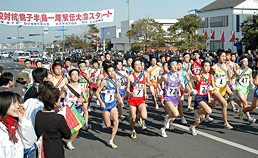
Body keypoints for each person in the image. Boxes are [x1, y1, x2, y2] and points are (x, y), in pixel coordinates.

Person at [35, 87, 71, 158]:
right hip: (55, 148)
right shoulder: (58, 118)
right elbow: (67, 134)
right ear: (55, 103)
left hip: (43, 147)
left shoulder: (38, 114)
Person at [0, 91, 37, 158]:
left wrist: (23, 120)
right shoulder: (2, 129)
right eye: (14, 104)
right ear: (4, 105)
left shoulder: (15, 126)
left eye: (18, 103)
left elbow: (29, 144)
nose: (18, 106)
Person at [60, 69, 88, 150]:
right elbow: (59, 95)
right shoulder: (66, 87)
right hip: (67, 110)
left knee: (76, 129)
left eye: (77, 75)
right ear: (70, 77)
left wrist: (83, 100)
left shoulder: (81, 88)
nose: (75, 76)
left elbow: (86, 99)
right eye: (73, 75)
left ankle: (70, 142)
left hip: (77, 109)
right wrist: (59, 103)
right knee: (65, 127)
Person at [96, 64, 122, 148]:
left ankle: (111, 140)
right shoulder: (104, 82)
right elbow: (97, 92)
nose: (112, 73)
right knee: (108, 125)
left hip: (113, 104)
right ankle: (104, 118)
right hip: (105, 105)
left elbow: (117, 93)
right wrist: (101, 102)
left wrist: (119, 99)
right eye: (109, 71)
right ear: (107, 73)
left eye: (113, 71)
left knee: (116, 121)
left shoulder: (116, 82)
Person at [158, 60, 184, 138]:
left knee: (172, 118)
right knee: (176, 113)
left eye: (177, 65)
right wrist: (160, 90)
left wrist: (181, 88)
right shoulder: (165, 76)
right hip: (168, 98)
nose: (176, 67)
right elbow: (158, 83)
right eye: (174, 65)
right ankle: (167, 117)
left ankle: (163, 129)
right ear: (170, 67)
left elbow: (181, 85)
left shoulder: (180, 76)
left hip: (175, 98)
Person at [189, 60, 214, 136]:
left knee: (202, 117)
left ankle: (192, 127)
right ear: (202, 67)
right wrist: (192, 89)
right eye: (206, 66)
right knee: (209, 111)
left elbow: (214, 86)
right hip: (199, 96)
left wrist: (212, 88)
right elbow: (190, 82)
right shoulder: (198, 76)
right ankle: (197, 112)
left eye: (209, 66)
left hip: (205, 96)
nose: (208, 68)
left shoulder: (211, 76)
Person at [209, 50, 234, 129]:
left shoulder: (227, 67)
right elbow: (208, 75)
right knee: (224, 104)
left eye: (225, 56)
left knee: (213, 105)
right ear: (218, 57)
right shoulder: (213, 67)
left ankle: (203, 106)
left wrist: (231, 85)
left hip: (223, 88)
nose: (224, 58)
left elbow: (228, 79)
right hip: (215, 89)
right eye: (222, 56)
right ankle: (226, 123)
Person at [126, 58, 148, 139]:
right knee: (133, 119)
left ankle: (139, 116)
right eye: (137, 65)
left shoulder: (144, 75)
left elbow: (144, 85)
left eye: (140, 64)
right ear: (133, 67)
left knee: (144, 116)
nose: (139, 66)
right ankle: (132, 130)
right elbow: (127, 88)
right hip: (133, 100)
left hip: (141, 99)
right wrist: (130, 93)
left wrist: (145, 93)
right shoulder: (130, 77)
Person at [236, 56, 256, 124]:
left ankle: (241, 110)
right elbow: (232, 78)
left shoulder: (249, 70)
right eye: (244, 62)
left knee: (242, 103)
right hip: (239, 87)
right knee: (245, 102)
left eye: (247, 62)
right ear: (241, 62)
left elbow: (250, 77)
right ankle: (249, 118)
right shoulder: (238, 71)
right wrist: (233, 85)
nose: (246, 63)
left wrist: (252, 83)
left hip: (246, 88)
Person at [77, 60, 91, 130]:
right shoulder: (77, 75)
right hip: (78, 94)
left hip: (85, 94)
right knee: (79, 109)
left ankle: (86, 123)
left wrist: (88, 93)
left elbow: (87, 85)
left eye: (84, 67)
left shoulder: (86, 74)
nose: (83, 68)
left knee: (85, 108)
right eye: (81, 67)